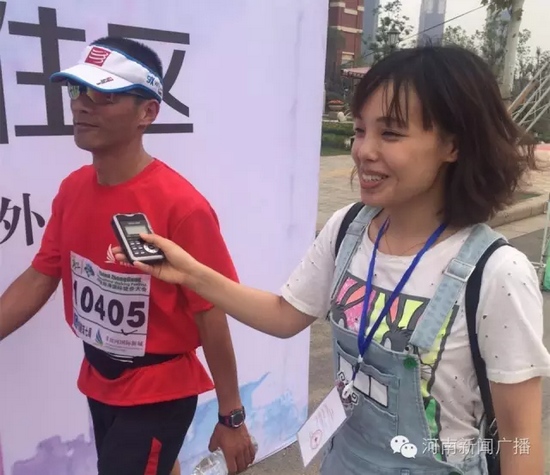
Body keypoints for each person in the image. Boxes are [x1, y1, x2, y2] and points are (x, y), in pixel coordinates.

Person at [113, 45, 550, 475]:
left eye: (390, 133)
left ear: (452, 145)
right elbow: (284, 315)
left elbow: (520, 439)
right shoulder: (349, 229)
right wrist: (188, 272)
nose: (363, 150)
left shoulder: (497, 274)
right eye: (360, 130)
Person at [0, 36, 256, 475]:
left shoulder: (182, 207)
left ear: (147, 112)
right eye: (77, 90)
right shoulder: (72, 189)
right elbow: (41, 275)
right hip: (99, 379)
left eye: (104, 95)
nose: (81, 105)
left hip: (159, 392)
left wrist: (231, 415)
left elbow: (211, 314)